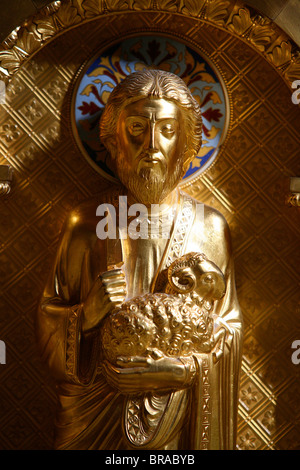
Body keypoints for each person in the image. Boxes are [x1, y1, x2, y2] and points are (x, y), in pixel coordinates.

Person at [36, 69, 243, 450]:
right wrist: (86, 315)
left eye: (166, 129)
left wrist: (179, 370)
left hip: (178, 418)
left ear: (184, 142)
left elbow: (228, 330)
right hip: (94, 415)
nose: (151, 144)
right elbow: (49, 316)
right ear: (114, 141)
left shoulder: (210, 228)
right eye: (136, 128)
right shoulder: (86, 224)